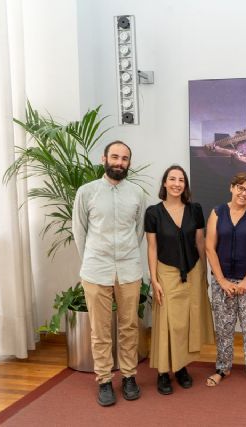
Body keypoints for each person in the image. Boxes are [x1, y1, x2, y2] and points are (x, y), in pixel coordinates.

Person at [73, 141, 146, 407]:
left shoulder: (137, 193)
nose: (119, 162)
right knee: (100, 330)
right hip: (96, 270)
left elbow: (138, 232)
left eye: (124, 158)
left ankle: (128, 376)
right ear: (104, 158)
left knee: (128, 326)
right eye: (115, 157)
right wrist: (94, 258)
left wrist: (124, 254)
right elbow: (79, 232)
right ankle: (104, 380)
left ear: (129, 163)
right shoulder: (87, 192)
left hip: (128, 269)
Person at [145, 165, 214, 395]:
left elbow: (200, 242)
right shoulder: (153, 212)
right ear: (164, 183)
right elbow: (152, 247)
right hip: (165, 272)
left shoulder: (195, 210)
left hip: (193, 271)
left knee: (186, 321)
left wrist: (205, 273)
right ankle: (163, 371)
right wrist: (153, 279)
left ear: (185, 185)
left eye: (181, 180)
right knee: (168, 322)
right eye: (172, 179)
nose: (177, 183)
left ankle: (182, 367)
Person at [204, 172, 246, 390]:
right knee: (223, 328)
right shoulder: (217, 213)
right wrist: (221, 280)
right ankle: (222, 367)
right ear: (232, 187)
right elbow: (209, 247)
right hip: (222, 283)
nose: (244, 193)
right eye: (240, 188)